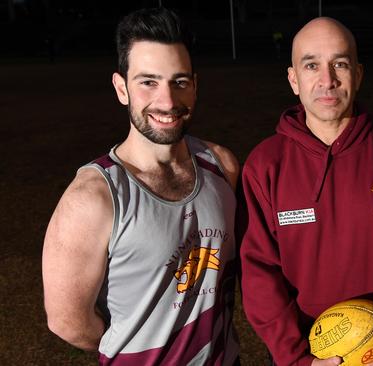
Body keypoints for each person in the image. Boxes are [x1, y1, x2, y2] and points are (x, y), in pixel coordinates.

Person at [42, 8, 240, 365]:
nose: (166, 101)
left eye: (179, 82)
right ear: (122, 88)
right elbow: (67, 322)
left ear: (194, 86)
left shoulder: (222, 166)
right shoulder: (93, 197)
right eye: (148, 82)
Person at [239, 17, 373, 366]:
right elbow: (259, 274)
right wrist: (297, 358)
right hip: (303, 354)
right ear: (293, 79)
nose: (327, 80)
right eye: (312, 64)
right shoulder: (265, 164)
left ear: (358, 75)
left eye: (340, 64)